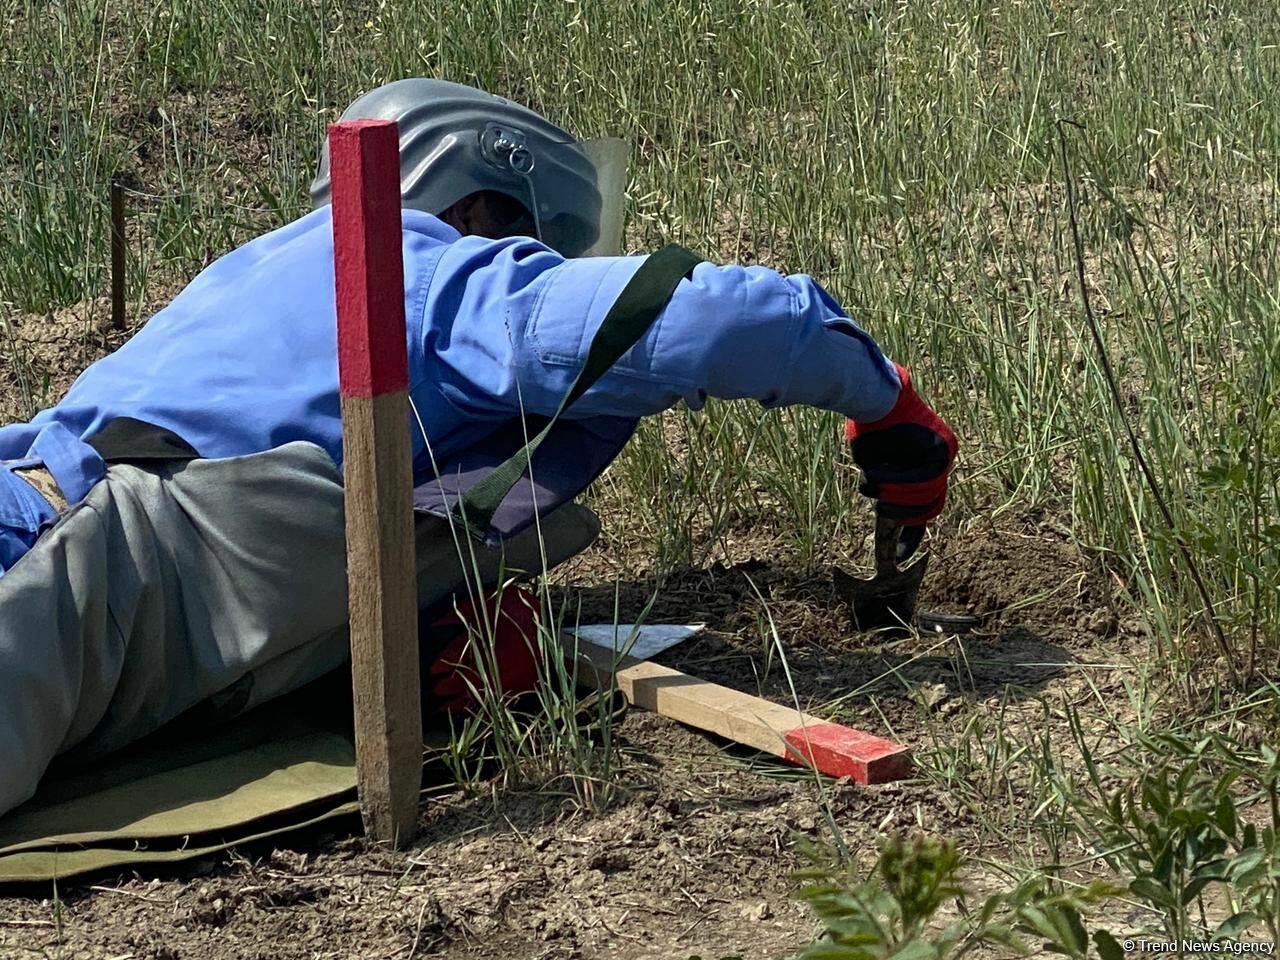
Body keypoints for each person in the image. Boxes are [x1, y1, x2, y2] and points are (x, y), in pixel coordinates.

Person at [0, 78, 956, 816]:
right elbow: (700, 323)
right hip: (61, 561)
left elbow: (302, 481)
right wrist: (887, 402)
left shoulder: (254, 273)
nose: (532, 266)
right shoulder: (430, 270)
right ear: (481, 205)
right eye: (533, 243)